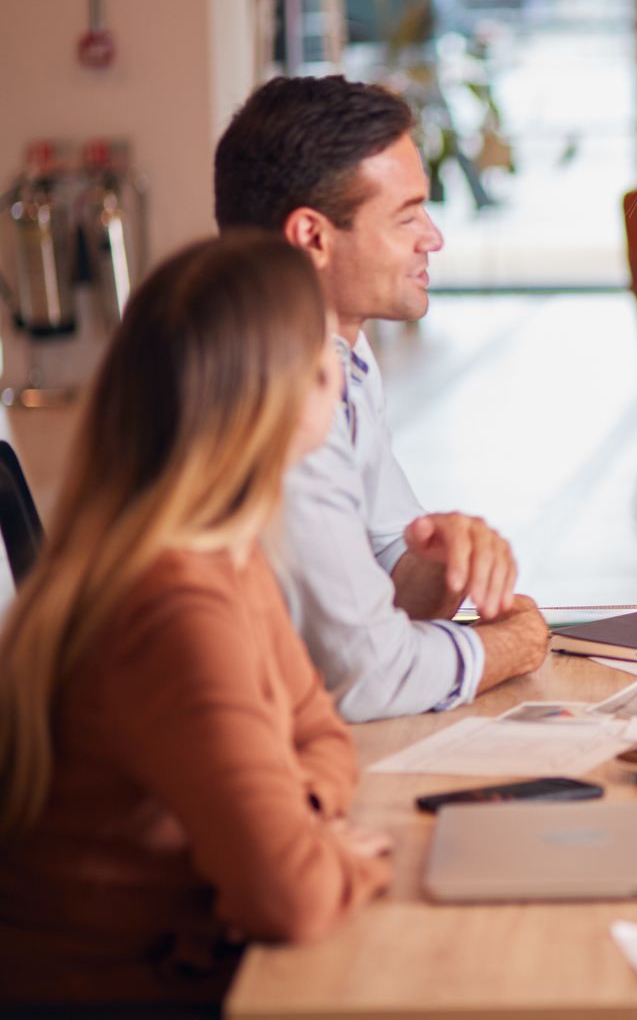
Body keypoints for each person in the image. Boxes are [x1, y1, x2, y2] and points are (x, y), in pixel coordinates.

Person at [0, 235, 392, 1010]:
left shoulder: (226, 553)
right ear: (294, 387)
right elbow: (291, 898)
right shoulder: (172, 605)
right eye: (328, 350)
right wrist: (326, 851)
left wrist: (295, 821)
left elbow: (322, 736)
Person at [215, 76, 548, 721]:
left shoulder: (342, 355)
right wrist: (514, 644)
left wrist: (440, 557)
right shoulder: (277, 398)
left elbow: (388, 578)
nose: (433, 238)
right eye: (406, 215)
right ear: (312, 237)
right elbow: (368, 675)